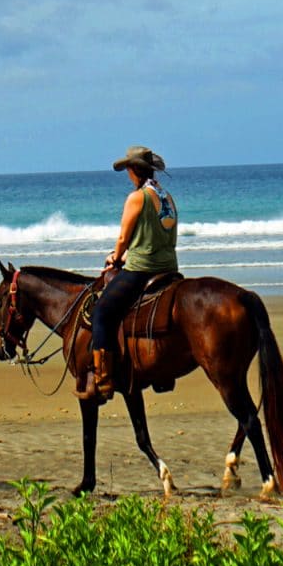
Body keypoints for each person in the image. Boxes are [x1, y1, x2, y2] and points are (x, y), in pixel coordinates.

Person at [83, 145, 178, 402]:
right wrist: (125, 254)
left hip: (141, 270)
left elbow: (125, 236)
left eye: (128, 169)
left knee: (102, 311)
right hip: (169, 268)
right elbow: (152, 237)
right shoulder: (166, 196)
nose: (127, 174)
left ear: (134, 170)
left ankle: (103, 379)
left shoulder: (136, 198)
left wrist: (115, 258)